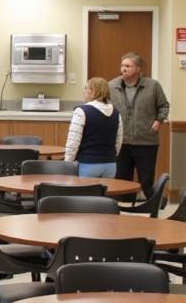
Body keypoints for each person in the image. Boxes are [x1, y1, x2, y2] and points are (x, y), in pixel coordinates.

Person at [109, 51, 169, 195]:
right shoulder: (111, 86)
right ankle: (123, 210)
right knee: (122, 179)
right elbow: (105, 107)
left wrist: (159, 121)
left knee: (146, 179)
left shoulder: (153, 86)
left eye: (128, 66)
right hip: (121, 142)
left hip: (146, 141)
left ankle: (148, 209)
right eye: (122, 65)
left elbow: (164, 105)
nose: (124, 69)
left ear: (138, 69)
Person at [64, 76, 123, 177]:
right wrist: (110, 156)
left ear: (92, 92)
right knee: (104, 192)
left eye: (86, 88)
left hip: (87, 164)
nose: (84, 91)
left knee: (85, 193)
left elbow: (73, 141)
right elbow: (118, 141)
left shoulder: (82, 111)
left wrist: (67, 163)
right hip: (110, 165)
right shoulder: (116, 113)